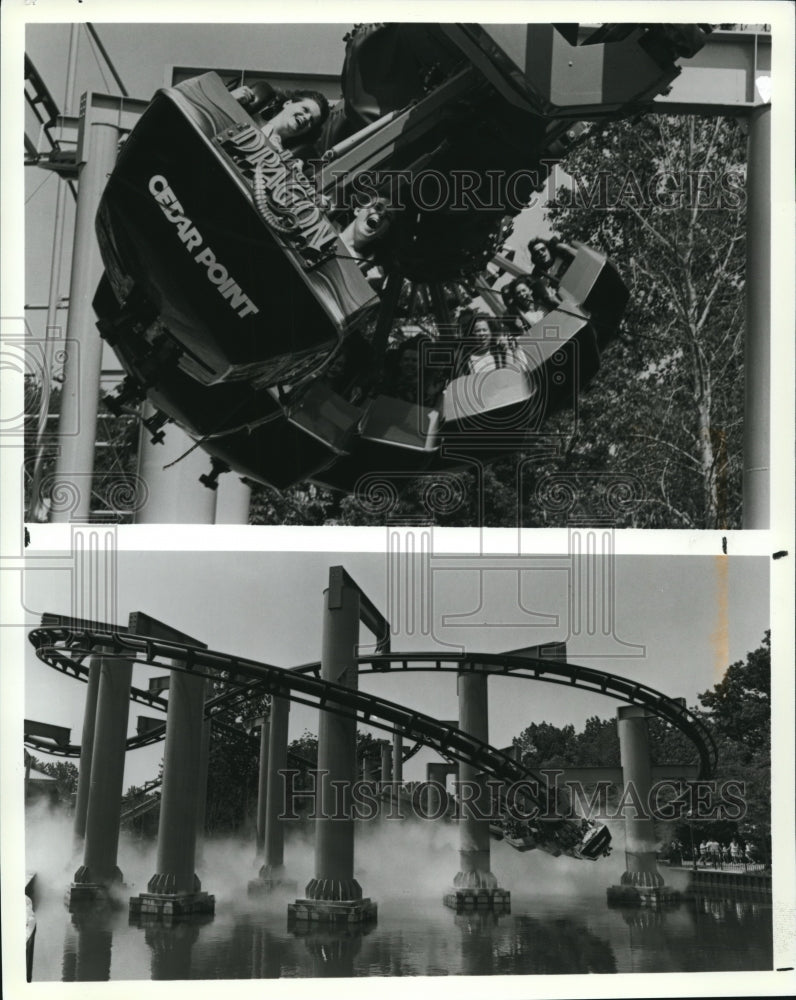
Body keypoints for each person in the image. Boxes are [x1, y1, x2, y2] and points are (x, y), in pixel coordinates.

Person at [233, 81, 330, 150]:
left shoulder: (287, 158)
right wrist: (229, 97)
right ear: (288, 103)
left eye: (311, 121)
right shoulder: (246, 113)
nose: (306, 118)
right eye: (305, 109)